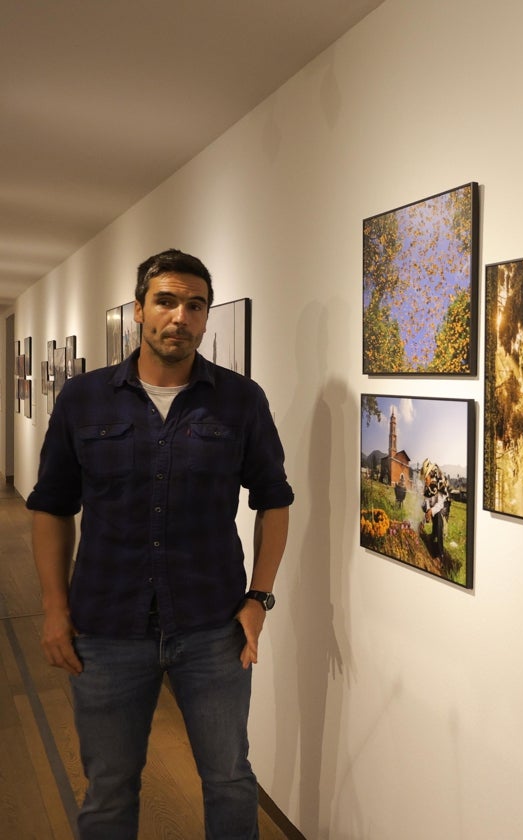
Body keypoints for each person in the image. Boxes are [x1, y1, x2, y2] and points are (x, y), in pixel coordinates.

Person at [27, 248, 294, 838]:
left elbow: (275, 498)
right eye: (166, 301)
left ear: (206, 318)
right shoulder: (85, 399)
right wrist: (52, 608)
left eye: (194, 305)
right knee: (109, 790)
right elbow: (50, 506)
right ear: (139, 311)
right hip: (106, 628)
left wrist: (260, 598)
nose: (180, 316)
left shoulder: (240, 400)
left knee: (228, 779)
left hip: (212, 626)